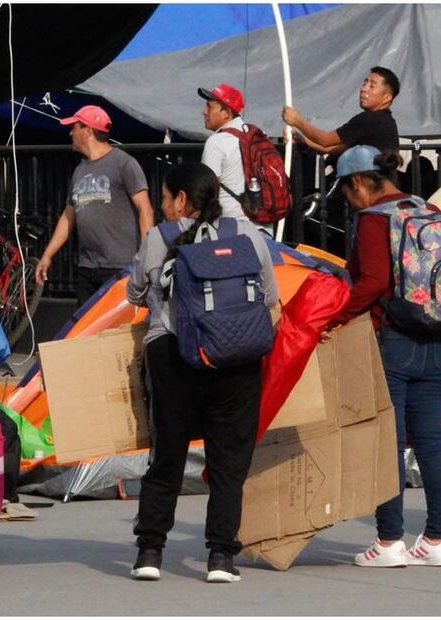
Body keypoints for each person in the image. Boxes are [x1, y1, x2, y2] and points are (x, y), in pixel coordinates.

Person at [125, 162, 278, 583]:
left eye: (163, 198)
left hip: (174, 356)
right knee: (229, 461)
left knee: (167, 456)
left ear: (180, 200)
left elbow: (134, 291)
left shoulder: (159, 238)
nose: (160, 206)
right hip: (237, 359)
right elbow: (268, 297)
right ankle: (221, 558)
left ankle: (150, 552)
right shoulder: (248, 235)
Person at [324, 145, 441, 568]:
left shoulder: (372, 219)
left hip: (395, 338)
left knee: (390, 444)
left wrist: (335, 319)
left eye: (346, 191)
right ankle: (438, 539)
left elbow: (372, 282)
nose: (349, 201)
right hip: (438, 335)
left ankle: (389, 541)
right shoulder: (424, 208)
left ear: (359, 181)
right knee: (432, 442)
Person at [34, 105, 154, 305]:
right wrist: (47, 255)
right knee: (87, 329)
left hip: (119, 265)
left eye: (74, 127)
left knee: (115, 329)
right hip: (87, 267)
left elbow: (145, 209)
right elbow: (68, 216)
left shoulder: (124, 163)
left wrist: (145, 254)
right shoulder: (80, 170)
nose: (70, 132)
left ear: (88, 130)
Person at [281, 66, 400, 159]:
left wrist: (297, 121)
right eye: (364, 83)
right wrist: (303, 140)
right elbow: (331, 149)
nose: (363, 89)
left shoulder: (372, 119)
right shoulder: (382, 121)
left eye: (372, 86)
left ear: (387, 98)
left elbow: (325, 140)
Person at [198, 82, 249, 221]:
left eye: (209, 107)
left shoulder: (217, 142)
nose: (204, 111)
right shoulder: (257, 135)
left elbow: (207, 190)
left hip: (230, 227)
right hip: (263, 225)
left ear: (226, 113)